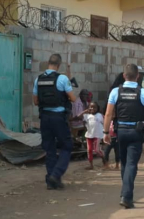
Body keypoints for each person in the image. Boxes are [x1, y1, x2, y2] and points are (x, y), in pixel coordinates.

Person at [103, 64, 144, 209]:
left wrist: (106, 133)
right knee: (131, 164)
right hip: (136, 132)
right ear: (137, 76)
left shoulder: (115, 92)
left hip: (121, 131)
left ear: (124, 75)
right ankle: (126, 196)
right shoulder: (143, 92)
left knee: (125, 163)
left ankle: (125, 193)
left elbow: (108, 114)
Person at [33, 54, 76, 190]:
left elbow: (35, 101)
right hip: (58, 117)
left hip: (44, 117)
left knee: (50, 149)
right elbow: (73, 99)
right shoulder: (62, 78)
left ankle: (50, 181)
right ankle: (56, 175)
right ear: (59, 65)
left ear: (48, 63)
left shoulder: (38, 79)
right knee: (67, 146)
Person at [102, 72, 125, 170]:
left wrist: (105, 132)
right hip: (122, 121)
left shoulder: (114, 90)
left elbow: (107, 111)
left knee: (116, 149)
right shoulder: (135, 90)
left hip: (115, 120)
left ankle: (117, 164)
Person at [79, 102, 105, 170]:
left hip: (97, 134)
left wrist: (105, 133)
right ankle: (91, 165)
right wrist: (85, 111)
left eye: (94, 107)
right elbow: (79, 116)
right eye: (91, 107)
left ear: (97, 108)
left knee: (96, 150)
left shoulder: (99, 115)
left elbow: (104, 123)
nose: (92, 108)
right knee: (89, 150)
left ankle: (104, 159)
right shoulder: (87, 115)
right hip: (89, 135)